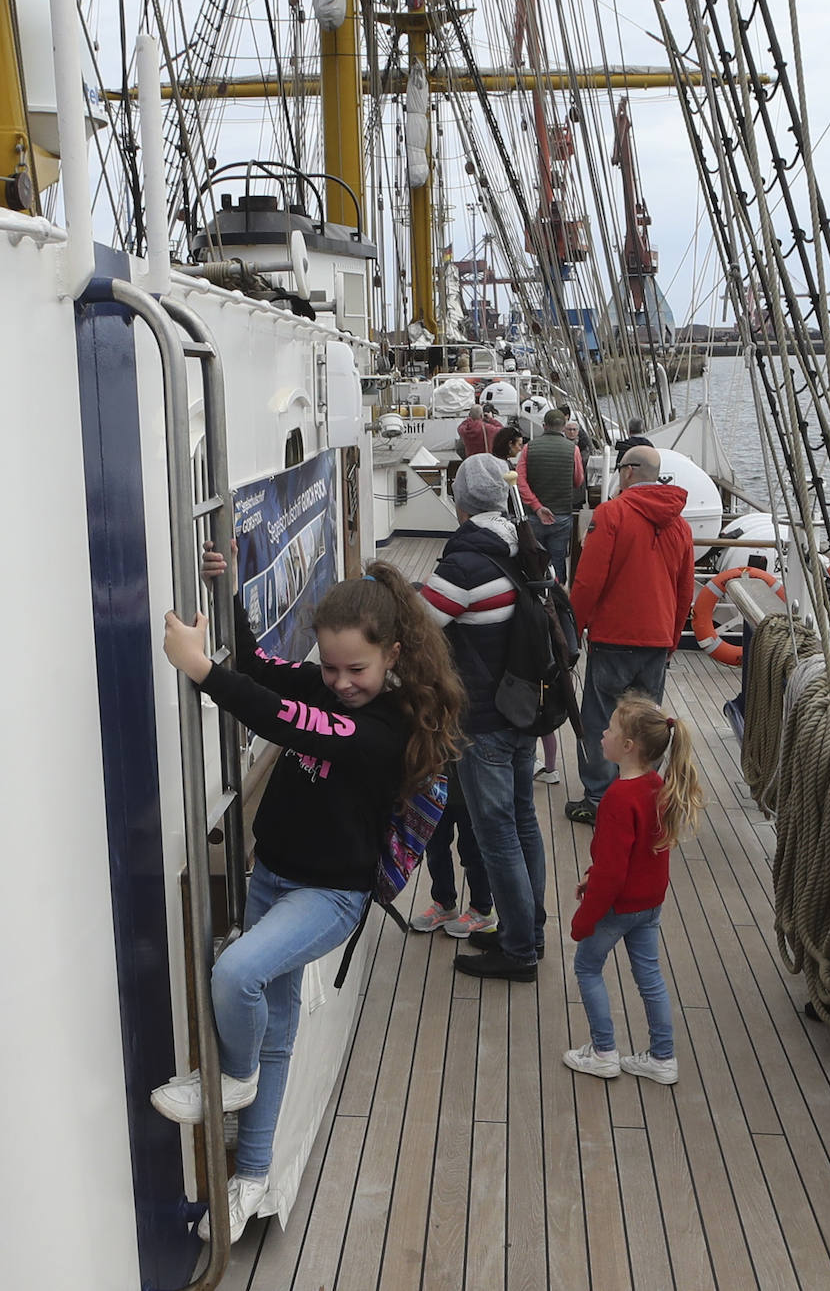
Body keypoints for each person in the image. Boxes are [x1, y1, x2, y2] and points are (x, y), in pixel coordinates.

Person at [151, 552, 464, 1242]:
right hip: (273, 874)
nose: (340, 683)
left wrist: (200, 668)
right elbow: (265, 672)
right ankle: (251, 1181)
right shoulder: (325, 683)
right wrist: (224, 589)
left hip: (330, 896)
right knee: (279, 1037)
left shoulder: (386, 729)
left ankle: (230, 1082)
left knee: (236, 972)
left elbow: (287, 722)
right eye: (330, 668)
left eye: (357, 669)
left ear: (394, 656)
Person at [422, 453, 546, 981]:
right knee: (523, 824)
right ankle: (529, 930)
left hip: (483, 723)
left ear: (460, 503)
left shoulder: (465, 562)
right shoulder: (526, 548)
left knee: (496, 836)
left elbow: (422, 627)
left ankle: (518, 951)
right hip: (523, 710)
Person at [563, 692, 702, 1083]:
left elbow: (612, 873)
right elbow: (635, 855)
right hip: (649, 904)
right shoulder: (658, 785)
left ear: (627, 747)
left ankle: (604, 1051)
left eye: (609, 729)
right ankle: (662, 1058)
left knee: (587, 967)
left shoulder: (617, 799)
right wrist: (596, 874)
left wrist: (583, 919)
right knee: (649, 976)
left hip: (617, 907)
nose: (602, 734)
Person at [565, 445, 694, 824]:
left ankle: (599, 798)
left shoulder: (612, 514)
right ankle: (639, 796)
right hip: (656, 641)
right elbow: (685, 589)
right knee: (645, 722)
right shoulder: (681, 525)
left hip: (614, 638)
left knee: (602, 718)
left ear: (628, 473)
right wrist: (671, 639)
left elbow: (589, 581)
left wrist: (573, 628)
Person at [409, 761, 497, 937]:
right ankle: (444, 904)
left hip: (471, 788)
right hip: (436, 783)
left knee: (473, 852)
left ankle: (482, 910)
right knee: (435, 847)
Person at [517, 407, 584, 585]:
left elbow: (520, 481)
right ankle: (558, 595)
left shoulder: (528, 448)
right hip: (561, 513)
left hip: (533, 514)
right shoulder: (573, 450)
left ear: (544, 426)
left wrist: (537, 506)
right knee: (557, 557)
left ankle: (537, 595)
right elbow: (578, 480)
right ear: (563, 427)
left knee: (535, 558)